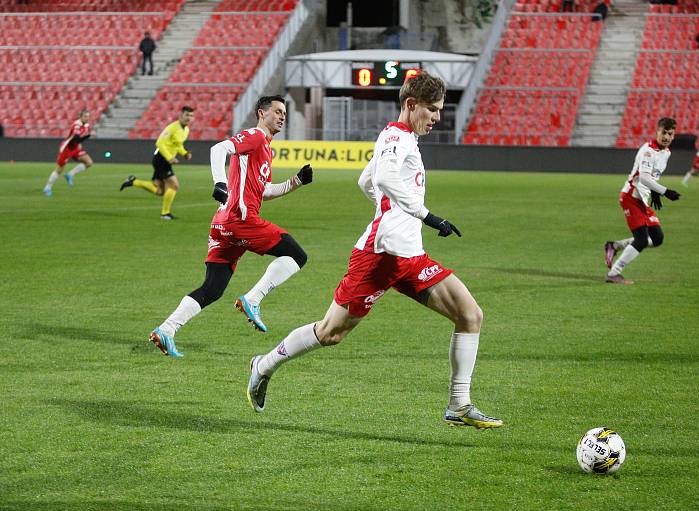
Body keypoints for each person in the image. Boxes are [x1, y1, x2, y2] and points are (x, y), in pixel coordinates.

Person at [245, 72, 503, 430]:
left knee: (470, 315)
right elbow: (381, 179)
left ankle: (459, 404)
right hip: (379, 257)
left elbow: (366, 180)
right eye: (432, 109)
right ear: (411, 105)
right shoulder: (396, 136)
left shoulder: (404, 138)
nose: (437, 117)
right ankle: (264, 365)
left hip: (410, 256)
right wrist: (427, 216)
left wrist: (390, 209)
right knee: (331, 333)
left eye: (440, 110)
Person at [147, 95, 313, 358]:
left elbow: (264, 191)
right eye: (277, 111)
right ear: (262, 113)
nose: (282, 116)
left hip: (223, 223)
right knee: (297, 255)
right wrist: (220, 182)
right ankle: (253, 299)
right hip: (240, 219)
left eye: (285, 113)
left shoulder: (266, 150)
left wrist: (296, 182)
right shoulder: (255, 137)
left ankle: (167, 329)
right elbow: (218, 150)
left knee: (212, 288)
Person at [604, 117, 681, 284]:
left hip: (643, 198)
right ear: (657, 132)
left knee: (657, 238)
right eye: (664, 133)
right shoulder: (648, 151)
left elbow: (653, 176)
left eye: (670, 134)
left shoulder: (666, 152)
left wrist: (654, 192)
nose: (667, 137)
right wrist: (664, 192)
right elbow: (644, 178)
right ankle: (613, 273)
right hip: (631, 197)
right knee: (641, 239)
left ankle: (614, 246)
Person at [119, 106, 193, 220]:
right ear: (181, 115)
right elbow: (159, 143)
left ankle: (133, 181)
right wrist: (169, 157)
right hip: (161, 158)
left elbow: (178, 145)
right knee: (174, 185)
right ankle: (165, 213)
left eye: (191, 115)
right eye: (187, 115)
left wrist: (184, 153)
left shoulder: (186, 130)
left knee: (160, 191)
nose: (189, 117)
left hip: (166, 160)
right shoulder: (172, 127)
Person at [43, 109, 95, 197]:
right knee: (59, 170)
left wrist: (80, 144)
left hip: (75, 148)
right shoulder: (76, 125)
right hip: (67, 149)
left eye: (88, 116)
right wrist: (89, 136)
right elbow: (77, 139)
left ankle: (69, 174)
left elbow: (79, 140)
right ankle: (47, 188)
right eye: (85, 116)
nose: (87, 118)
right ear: (80, 117)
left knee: (89, 162)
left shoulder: (86, 125)